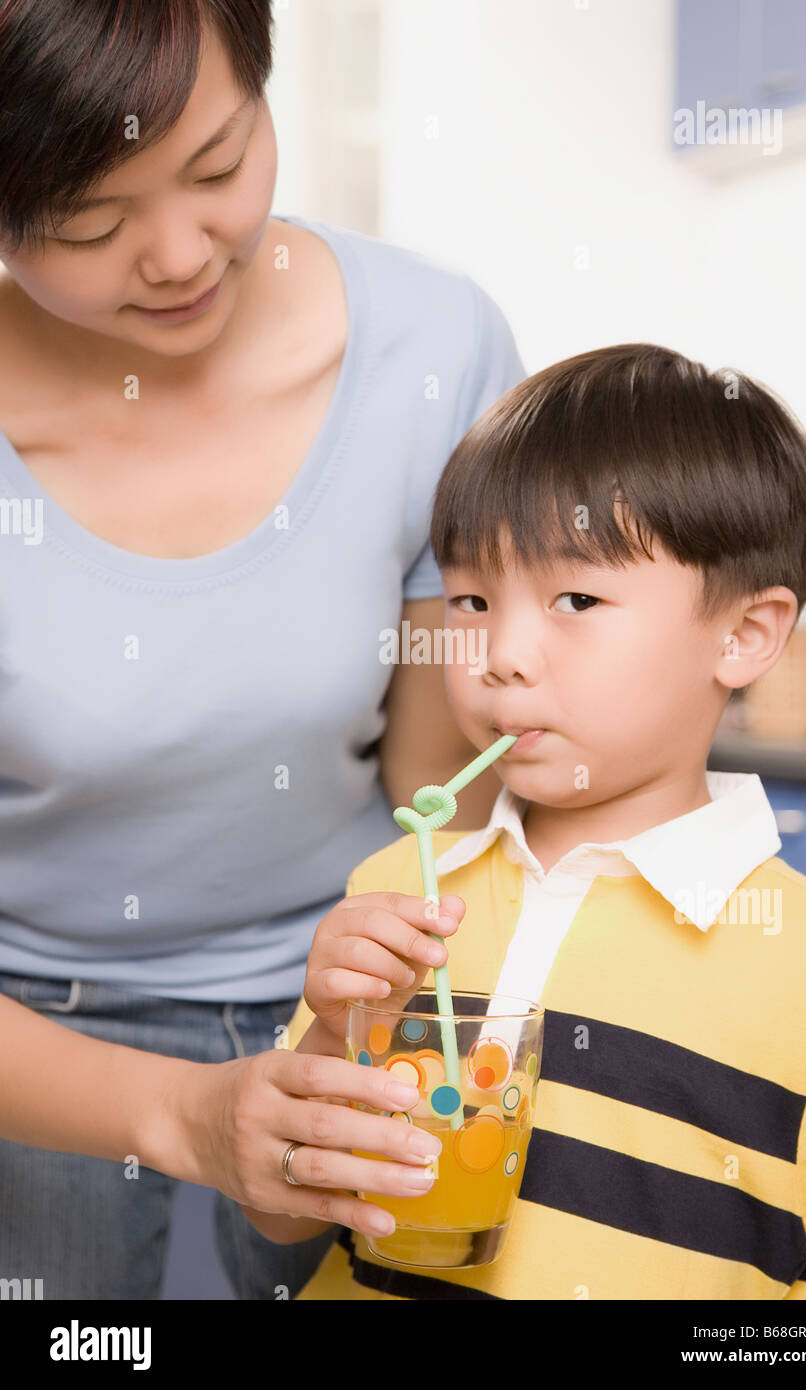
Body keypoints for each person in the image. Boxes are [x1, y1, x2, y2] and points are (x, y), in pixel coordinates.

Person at [0, 0, 524, 1299]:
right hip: (31, 1027)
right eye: (86, 222)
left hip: (351, 997)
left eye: (221, 165)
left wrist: (354, 1008)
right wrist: (177, 1112)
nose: (179, 254)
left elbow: (435, 806)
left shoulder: (433, 355)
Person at [251, 342, 806, 1298]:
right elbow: (278, 1213)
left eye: (576, 597)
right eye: (472, 599)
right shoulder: (395, 889)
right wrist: (332, 1043)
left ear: (744, 636)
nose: (502, 654)